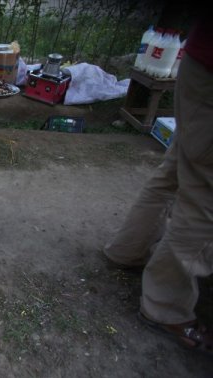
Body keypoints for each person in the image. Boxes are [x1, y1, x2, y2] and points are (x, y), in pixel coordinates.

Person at [103, 17, 213, 355]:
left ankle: (127, 250)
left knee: (179, 168)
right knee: (206, 199)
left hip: (201, 62)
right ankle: (164, 306)